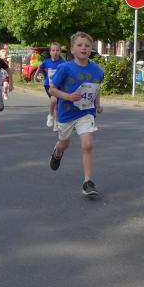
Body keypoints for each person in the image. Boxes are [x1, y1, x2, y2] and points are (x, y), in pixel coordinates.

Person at [48, 32, 104, 198]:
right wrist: (68, 96)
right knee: (64, 143)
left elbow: (96, 88)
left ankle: (88, 182)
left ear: (91, 49)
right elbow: (52, 89)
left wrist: (98, 104)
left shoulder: (97, 70)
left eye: (87, 46)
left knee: (88, 144)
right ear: (72, 49)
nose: (83, 48)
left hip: (86, 112)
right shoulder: (65, 68)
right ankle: (57, 152)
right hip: (66, 113)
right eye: (79, 45)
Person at [39, 42, 65, 128]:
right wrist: (35, 75)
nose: (55, 52)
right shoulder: (47, 62)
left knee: (57, 106)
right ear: (50, 52)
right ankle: (50, 115)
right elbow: (40, 67)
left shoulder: (63, 63)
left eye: (57, 50)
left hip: (58, 86)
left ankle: (56, 124)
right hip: (48, 85)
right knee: (54, 100)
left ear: (60, 52)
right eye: (53, 50)